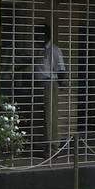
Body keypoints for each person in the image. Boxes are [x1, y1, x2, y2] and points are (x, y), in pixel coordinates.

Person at [34, 22, 66, 151]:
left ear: (45, 36)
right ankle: (43, 143)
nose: (35, 38)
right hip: (38, 85)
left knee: (50, 114)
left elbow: (61, 69)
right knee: (39, 115)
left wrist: (60, 84)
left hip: (49, 83)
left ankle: (53, 145)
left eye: (37, 35)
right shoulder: (39, 50)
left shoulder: (54, 50)